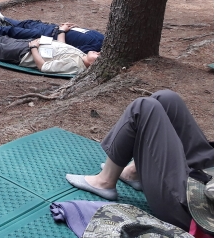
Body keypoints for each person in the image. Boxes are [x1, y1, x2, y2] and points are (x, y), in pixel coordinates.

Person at [65, 90, 214, 231]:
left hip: (200, 213)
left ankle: (104, 181)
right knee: (167, 99)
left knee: (143, 108)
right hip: (208, 175)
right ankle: (133, 172)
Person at [0, 27, 99, 74]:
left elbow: (44, 67)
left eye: (98, 57)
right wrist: (61, 31)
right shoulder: (82, 55)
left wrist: (33, 48)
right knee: (0, 39)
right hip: (33, 44)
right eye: (99, 52)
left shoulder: (75, 65)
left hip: (25, 54)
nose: (97, 52)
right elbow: (64, 45)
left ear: (94, 65)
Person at [0, 7, 104, 53]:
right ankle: (1, 18)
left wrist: (62, 31)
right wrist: (72, 26)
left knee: (13, 32)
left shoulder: (96, 48)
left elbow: (67, 49)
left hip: (48, 39)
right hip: (52, 28)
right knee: (28, 23)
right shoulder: (102, 37)